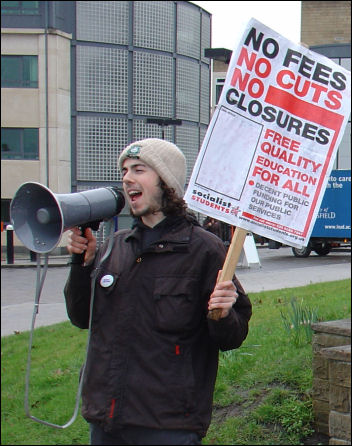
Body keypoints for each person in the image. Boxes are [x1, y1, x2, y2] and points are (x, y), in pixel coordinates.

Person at [64, 138, 252, 445]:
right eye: (124, 170)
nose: (127, 178)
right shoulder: (115, 246)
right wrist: (81, 264)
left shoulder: (204, 250)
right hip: (106, 421)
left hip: (168, 426)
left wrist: (223, 313)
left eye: (139, 169)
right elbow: (81, 317)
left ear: (166, 181)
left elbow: (233, 337)